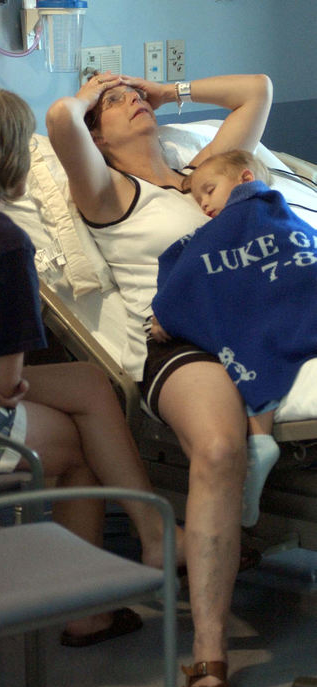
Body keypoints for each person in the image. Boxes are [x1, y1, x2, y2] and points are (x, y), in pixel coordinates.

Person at [46, 70, 273, 687]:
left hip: (266, 318)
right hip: (182, 343)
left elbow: (257, 89)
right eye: (116, 105)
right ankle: (209, 656)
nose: (131, 102)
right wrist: (91, 94)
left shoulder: (203, 175)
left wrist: (162, 88)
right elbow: (63, 122)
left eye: (133, 96)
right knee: (221, 450)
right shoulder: (109, 192)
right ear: (99, 139)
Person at [0, 86, 185, 648]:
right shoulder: (0, 243)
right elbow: (2, 384)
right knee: (79, 447)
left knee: (90, 383)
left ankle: (153, 538)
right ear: (10, 162)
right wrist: (10, 383)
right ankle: (87, 612)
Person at [151, 150, 286, 528]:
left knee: (252, 336)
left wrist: (166, 311)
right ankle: (259, 443)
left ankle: (260, 444)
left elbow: (196, 268)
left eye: (209, 190)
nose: (204, 203)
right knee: (260, 340)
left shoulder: (250, 211)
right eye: (197, 198)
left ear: (245, 180)